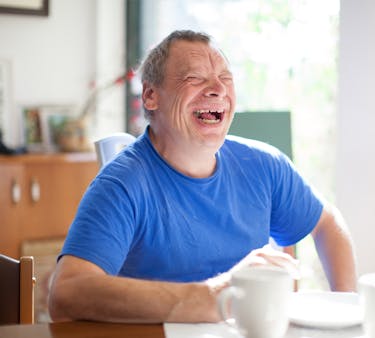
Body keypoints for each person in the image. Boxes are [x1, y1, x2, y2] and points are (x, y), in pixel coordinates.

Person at [48, 30, 356, 323]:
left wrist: (347, 314)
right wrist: (212, 297)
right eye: (194, 78)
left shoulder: (264, 165)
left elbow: (328, 223)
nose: (218, 89)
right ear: (151, 95)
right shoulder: (121, 185)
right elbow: (66, 294)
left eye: (225, 78)